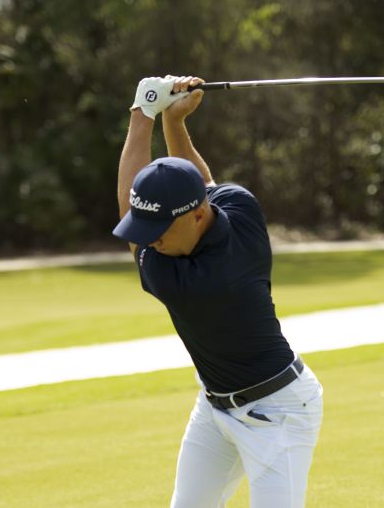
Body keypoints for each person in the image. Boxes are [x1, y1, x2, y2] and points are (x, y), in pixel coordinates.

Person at [112, 75, 323, 508]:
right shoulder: (238, 205)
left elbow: (130, 210)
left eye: (158, 229)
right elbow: (200, 182)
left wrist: (142, 113)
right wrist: (174, 123)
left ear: (195, 217)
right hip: (215, 407)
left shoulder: (190, 283)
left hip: (278, 413)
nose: (150, 240)